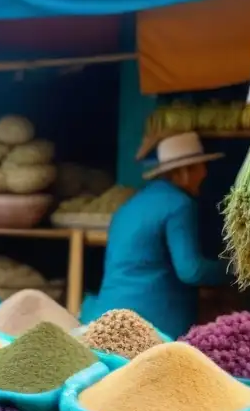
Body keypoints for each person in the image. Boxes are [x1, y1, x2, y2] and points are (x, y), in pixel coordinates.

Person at [82, 132, 228, 338]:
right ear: (185, 172)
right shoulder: (180, 204)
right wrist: (235, 269)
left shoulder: (129, 205)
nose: (204, 174)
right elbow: (191, 271)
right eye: (201, 167)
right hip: (149, 323)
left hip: (107, 317)